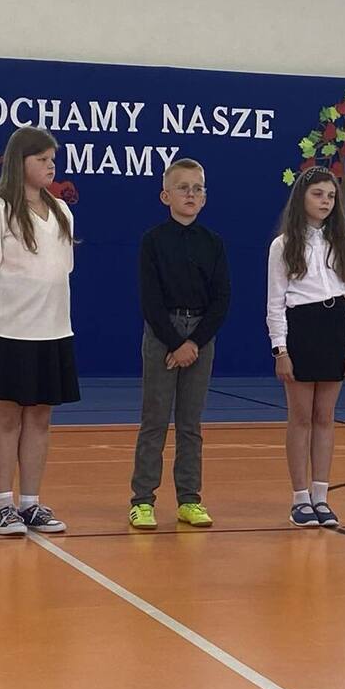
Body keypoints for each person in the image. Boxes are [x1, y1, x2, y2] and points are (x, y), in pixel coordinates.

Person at [0, 127, 78, 536]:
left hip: (53, 332)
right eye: (41, 159)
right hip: (8, 334)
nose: (50, 166)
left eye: (52, 159)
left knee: (40, 417)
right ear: (19, 162)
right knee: (7, 417)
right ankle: (3, 506)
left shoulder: (62, 212)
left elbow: (60, 272)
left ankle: (30, 503)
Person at [128, 158, 229, 530]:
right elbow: (150, 300)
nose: (191, 194)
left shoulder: (213, 243)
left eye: (197, 188)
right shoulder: (153, 241)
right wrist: (175, 342)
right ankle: (142, 500)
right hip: (163, 336)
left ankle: (189, 499)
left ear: (205, 197)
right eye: (183, 187)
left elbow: (221, 299)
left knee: (190, 423)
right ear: (165, 195)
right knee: (155, 420)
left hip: (200, 336)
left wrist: (195, 343)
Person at [266, 167, 345, 528]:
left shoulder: (342, 242)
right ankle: (300, 497)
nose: (325, 202)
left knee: (325, 416)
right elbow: (275, 303)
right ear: (301, 198)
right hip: (302, 330)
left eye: (331, 196)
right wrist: (281, 350)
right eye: (318, 194)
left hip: (334, 328)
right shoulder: (283, 245)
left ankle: (321, 495)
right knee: (301, 417)